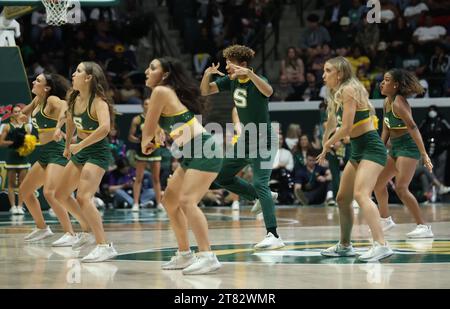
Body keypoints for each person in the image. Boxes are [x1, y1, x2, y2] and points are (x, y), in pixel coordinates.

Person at [141, 57, 222, 275]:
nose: (147, 71)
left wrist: (146, 141)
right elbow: (159, 122)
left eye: (152, 67)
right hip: (191, 154)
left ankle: (207, 255)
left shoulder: (160, 92)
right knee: (169, 202)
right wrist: (157, 131)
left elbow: (146, 130)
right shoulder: (166, 94)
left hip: (205, 151)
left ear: (165, 74)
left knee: (187, 201)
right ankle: (185, 253)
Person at [200, 44, 283, 250]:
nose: (227, 68)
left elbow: (269, 91)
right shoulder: (230, 81)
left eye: (230, 64)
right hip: (246, 139)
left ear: (243, 65)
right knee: (221, 176)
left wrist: (250, 74)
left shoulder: (258, 80)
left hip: (264, 138)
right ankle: (259, 196)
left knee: (260, 182)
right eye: (226, 63)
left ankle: (273, 234)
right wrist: (207, 74)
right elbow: (205, 91)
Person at [317, 56, 393, 262]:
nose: (323, 75)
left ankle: (381, 244)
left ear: (339, 73)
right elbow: (332, 120)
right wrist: (325, 141)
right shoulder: (336, 93)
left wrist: (328, 143)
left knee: (361, 194)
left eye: (328, 70)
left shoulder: (350, 89)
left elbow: (347, 128)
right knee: (342, 198)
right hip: (358, 149)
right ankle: (344, 245)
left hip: (371, 146)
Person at [54, 62, 117, 262]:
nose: (73, 74)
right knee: (61, 194)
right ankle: (87, 230)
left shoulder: (99, 102)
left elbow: (105, 128)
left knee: (83, 197)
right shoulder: (74, 98)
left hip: (97, 152)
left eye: (79, 71)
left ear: (89, 77)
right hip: (81, 149)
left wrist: (80, 146)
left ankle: (104, 245)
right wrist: (67, 145)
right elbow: (71, 122)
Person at [19, 73, 88, 246]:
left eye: (38, 81)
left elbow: (65, 106)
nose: (34, 82)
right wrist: (21, 117)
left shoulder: (52, 100)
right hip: (44, 152)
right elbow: (24, 114)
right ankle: (42, 228)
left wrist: (59, 127)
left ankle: (71, 233)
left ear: (47, 88)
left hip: (57, 151)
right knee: (25, 191)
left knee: (50, 192)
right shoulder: (37, 101)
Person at [374, 69, 434, 238]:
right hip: (395, 147)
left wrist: (424, 154)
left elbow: (413, 128)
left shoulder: (399, 104)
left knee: (401, 188)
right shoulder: (386, 101)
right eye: (383, 80)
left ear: (396, 85)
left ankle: (423, 226)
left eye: (386, 80)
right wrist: (379, 149)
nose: (382, 83)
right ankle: (385, 219)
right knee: (378, 184)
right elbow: (386, 128)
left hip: (408, 147)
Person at [128, 98, 163, 212]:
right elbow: (130, 137)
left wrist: (155, 142)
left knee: (156, 178)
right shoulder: (137, 119)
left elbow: (162, 135)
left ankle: (159, 203)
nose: (148, 105)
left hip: (155, 150)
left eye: (150, 103)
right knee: (139, 178)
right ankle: (136, 203)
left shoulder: (157, 119)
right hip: (141, 151)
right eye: (146, 103)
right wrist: (141, 140)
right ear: (143, 106)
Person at [0, 105, 31, 215]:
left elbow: (29, 142)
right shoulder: (7, 127)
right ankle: (13, 207)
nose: (17, 113)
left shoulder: (26, 127)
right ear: (12, 113)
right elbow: (1, 142)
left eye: (19, 111)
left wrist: (25, 144)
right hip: (12, 157)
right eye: (15, 111)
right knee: (11, 183)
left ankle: (20, 206)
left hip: (22, 157)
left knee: (23, 184)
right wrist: (13, 143)